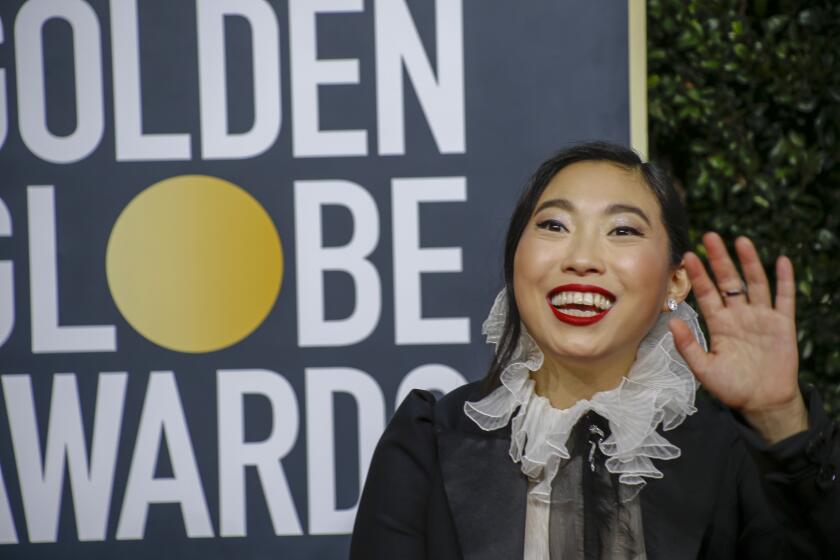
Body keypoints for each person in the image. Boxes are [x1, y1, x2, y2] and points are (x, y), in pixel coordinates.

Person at [349, 142, 839, 559]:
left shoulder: (730, 456)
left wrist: (780, 418)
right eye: (554, 226)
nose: (582, 259)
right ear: (516, 261)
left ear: (675, 281)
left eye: (623, 230)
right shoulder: (428, 442)